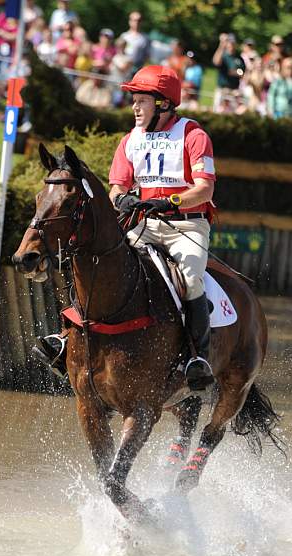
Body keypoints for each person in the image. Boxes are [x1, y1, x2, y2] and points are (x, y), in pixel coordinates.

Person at [108, 65, 216, 390]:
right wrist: (121, 201)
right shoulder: (130, 140)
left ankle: (198, 357)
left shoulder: (194, 136)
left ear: (164, 104)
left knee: (191, 278)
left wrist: (170, 202)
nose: (134, 108)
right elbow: (115, 189)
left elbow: (205, 190)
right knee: (106, 261)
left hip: (187, 227)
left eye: (141, 101)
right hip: (146, 224)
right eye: (134, 101)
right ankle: (69, 335)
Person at [212, 33, 245, 112]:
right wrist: (221, 45)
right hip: (223, 89)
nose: (231, 45)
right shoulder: (223, 56)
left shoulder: (239, 58)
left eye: (232, 43)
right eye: (229, 42)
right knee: (219, 111)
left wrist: (235, 72)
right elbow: (216, 62)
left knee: (234, 112)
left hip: (234, 90)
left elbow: (242, 73)